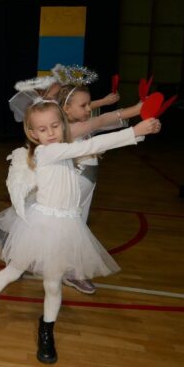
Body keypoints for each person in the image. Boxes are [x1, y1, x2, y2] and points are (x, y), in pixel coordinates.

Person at [0, 100, 161, 364]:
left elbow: (91, 138)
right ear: (33, 134)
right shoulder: (47, 153)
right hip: (40, 225)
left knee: (52, 284)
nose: (50, 133)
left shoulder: (65, 149)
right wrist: (135, 132)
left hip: (66, 227)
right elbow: (93, 144)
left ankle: (47, 330)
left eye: (55, 126)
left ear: (63, 125)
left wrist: (137, 129)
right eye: (43, 129)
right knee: (13, 270)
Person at [57, 83, 143, 294]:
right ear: (66, 108)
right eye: (83, 105)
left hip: (87, 183)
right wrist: (137, 111)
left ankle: (66, 268)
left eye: (89, 104)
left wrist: (135, 112)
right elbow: (102, 121)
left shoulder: (80, 123)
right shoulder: (66, 128)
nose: (88, 109)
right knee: (72, 228)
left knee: (76, 225)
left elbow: (106, 123)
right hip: (75, 184)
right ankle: (71, 272)